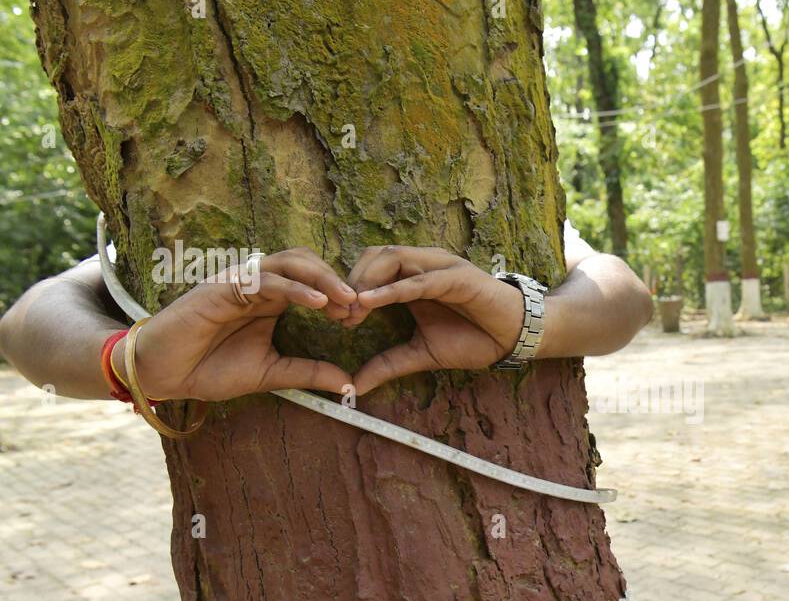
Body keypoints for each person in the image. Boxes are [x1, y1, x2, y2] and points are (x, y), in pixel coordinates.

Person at [0, 222, 652, 408]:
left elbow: (624, 295)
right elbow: (27, 321)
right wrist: (130, 363)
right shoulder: (164, 224)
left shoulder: (518, 200)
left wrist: (531, 321)